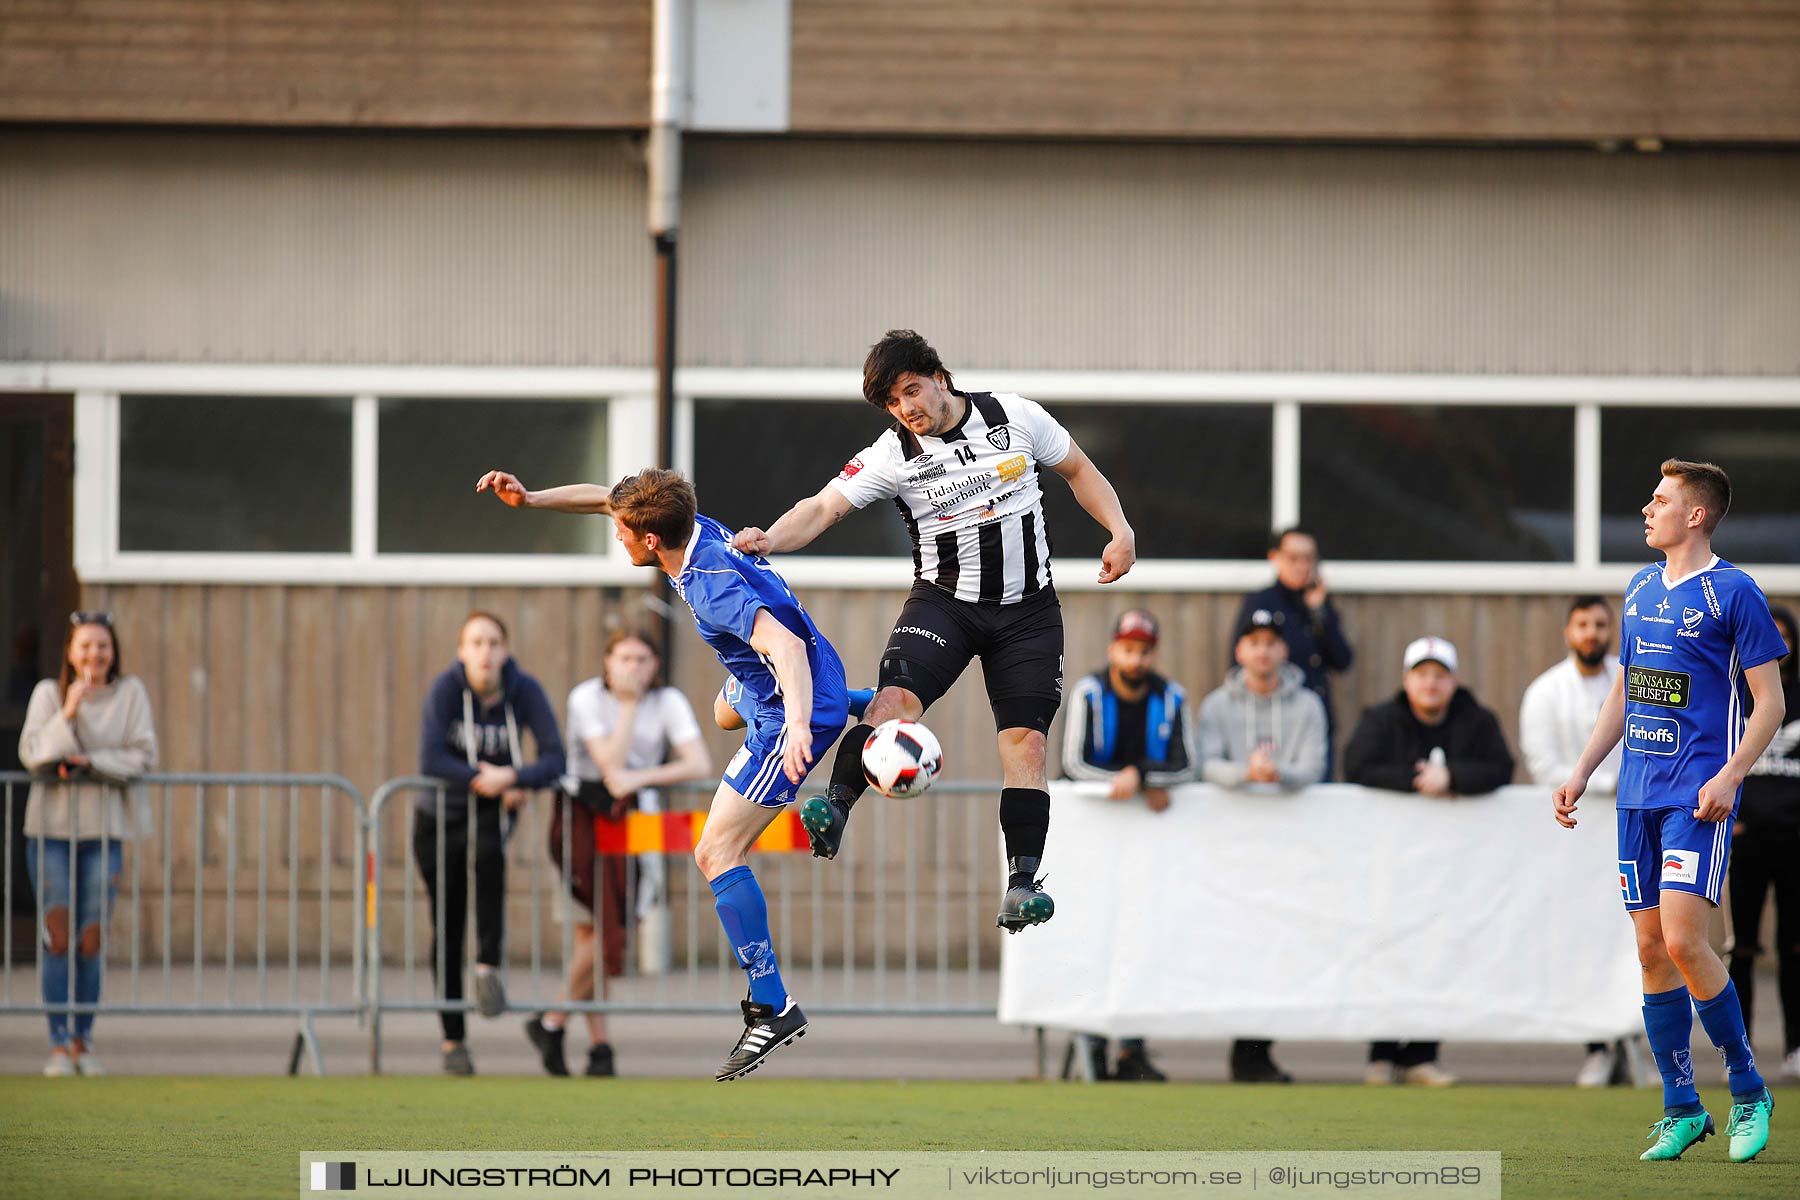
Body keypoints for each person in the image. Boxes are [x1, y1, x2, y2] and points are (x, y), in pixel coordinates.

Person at [732, 330, 1136, 934]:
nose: (907, 409)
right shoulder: (893, 453)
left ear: (939, 377)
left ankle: (1023, 884)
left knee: (1025, 745)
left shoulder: (1015, 416)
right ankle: (834, 806)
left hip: (1028, 613)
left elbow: (1080, 471)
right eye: (894, 403)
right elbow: (821, 508)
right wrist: (768, 536)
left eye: (911, 391)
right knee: (893, 703)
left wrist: (1120, 530)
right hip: (945, 604)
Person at [478, 466, 848, 1081]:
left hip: (791, 703)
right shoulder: (689, 530)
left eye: (622, 532)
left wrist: (803, 729)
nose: (615, 536)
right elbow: (605, 499)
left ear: (650, 540)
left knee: (714, 853)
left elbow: (781, 646)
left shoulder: (706, 584)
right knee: (722, 710)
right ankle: (855, 707)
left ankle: (772, 1002)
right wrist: (532, 499)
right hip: (796, 677)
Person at [1554, 459, 1785, 1163]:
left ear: (1697, 515)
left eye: (1661, 500)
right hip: (1637, 798)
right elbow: (1622, 695)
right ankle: (1682, 1106)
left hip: (1696, 798)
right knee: (1651, 950)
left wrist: (1731, 775)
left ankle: (1748, 1091)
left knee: (1688, 942)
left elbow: (1768, 703)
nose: (1646, 509)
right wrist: (1583, 768)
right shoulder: (1639, 587)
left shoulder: (1733, 591)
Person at [526, 629, 711, 1078]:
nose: (633, 667)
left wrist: (643, 777)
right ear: (607, 663)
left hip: (634, 818)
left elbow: (698, 763)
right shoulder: (586, 698)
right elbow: (609, 765)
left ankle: (554, 1022)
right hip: (583, 818)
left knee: (614, 922)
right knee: (591, 930)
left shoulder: (668, 702)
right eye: (624, 658)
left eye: (643, 659)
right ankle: (597, 1043)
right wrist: (628, 707)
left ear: (655, 665)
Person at [1344, 634, 1515, 1086]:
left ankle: (1422, 1054)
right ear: (1407, 679)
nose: (1431, 684)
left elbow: (1501, 768)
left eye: (1440, 676)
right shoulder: (1381, 719)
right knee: (1388, 949)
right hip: (1391, 863)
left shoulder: (1476, 720)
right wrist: (1418, 780)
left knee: (1440, 948)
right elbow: (1356, 765)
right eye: (1422, 675)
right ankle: (1381, 1054)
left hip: (1451, 869)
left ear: (1453, 681)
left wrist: (1453, 776)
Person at [416, 610, 565, 1076]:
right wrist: (485, 777)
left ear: (505, 650)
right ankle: (452, 1040)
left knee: (489, 862)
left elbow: (555, 757)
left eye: (493, 642)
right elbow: (431, 758)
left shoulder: (524, 690)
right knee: (447, 922)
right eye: (476, 643)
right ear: (462, 652)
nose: (485, 652)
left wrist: (514, 776)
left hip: (489, 811)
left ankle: (487, 967)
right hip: (437, 816)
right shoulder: (445, 690)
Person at [17, 612, 158, 1077]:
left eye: (102, 645)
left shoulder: (130, 693)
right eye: (85, 646)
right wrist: (70, 710)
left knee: (90, 939)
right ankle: (58, 1044)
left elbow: (142, 754)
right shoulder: (47, 694)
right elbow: (34, 752)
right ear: (70, 652)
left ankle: (84, 1039)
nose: (94, 654)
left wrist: (89, 762)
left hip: (103, 831)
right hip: (52, 830)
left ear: (113, 650)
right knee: (58, 937)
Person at [1060, 608, 1197, 1082]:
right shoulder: (1090, 693)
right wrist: (1138, 779)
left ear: (1152, 654)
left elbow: (1186, 765)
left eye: (1143, 650)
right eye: (1127, 648)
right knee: (1095, 934)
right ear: (1113, 648)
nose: (1134, 658)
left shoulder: (1171, 696)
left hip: (1148, 846)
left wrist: (1142, 776)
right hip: (1093, 843)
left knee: (1143, 935)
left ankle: (1131, 1046)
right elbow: (1074, 763)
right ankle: (1092, 1041)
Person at [1195, 606, 1329, 1084]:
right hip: (1231, 847)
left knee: (1277, 942)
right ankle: (1242, 1048)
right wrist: (1245, 774)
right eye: (1255, 641)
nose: (1263, 649)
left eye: (1272, 641)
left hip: (1288, 848)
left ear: (1283, 649)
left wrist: (1279, 774)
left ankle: (1257, 1049)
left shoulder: (1307, 704)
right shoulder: (1216, 705)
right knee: (1233, 940)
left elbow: (1313, 765)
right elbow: (1204, 763)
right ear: (1240, 650)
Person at [1520, 595, 1631, 1088]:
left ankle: (1639, 1041)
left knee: (1641, 932)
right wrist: (1601, 787)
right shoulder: (1546, 691)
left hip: (1633, 823)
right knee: (1587, 937)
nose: (1592, 633)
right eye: (1583, 624)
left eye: (1600, 624)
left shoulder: (1633, 682)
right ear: (1568, 631)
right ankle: (1598, 1045)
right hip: (1575, 829)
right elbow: (1543, 764)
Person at [1731, 603, 1799, 1085]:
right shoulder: (1735, 695)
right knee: (1742, 950)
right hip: (1745, 838)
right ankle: (1741, 1051)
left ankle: (1796, 1046)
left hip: (1794, 841)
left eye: (1783, 637)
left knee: (1794, 948)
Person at [1234, 528, 1354, 776]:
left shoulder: (1319, 604)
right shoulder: (1262, 602)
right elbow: (1239, 663)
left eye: (1309, 559)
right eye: (1293, 558)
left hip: (1314, 722)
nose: (1302, 566)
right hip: (1270, 727)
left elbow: (1342, 660)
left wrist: (1321, 614)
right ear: (1274, 558)